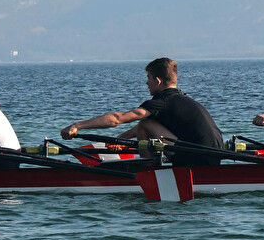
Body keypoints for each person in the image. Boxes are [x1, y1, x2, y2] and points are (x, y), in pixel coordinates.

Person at [60, 57, 223, 166]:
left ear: (158, 81)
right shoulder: (183, 101)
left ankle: (147, 169)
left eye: (148, 77)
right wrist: (122, 139)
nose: (146, 82)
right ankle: (157, 158)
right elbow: (151, 126)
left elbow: (117, 119)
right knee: (147, 123)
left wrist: (78, 126)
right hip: (216, 156)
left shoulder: (161, 102)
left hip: (199, 159)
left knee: (145, 123)